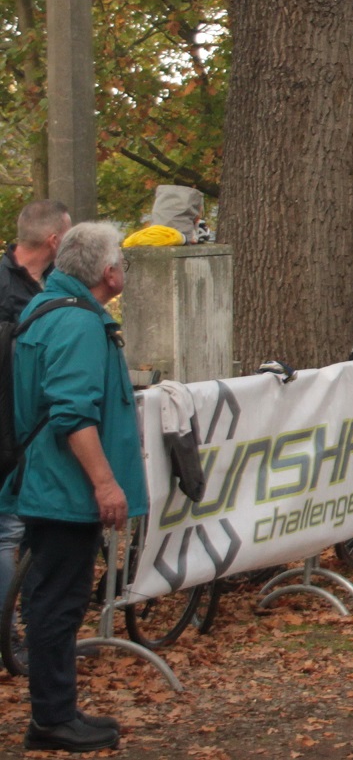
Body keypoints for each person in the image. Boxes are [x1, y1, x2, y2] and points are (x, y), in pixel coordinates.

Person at [2, 222, 142, 752]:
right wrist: (105, 484)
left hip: (49, 484)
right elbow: (72, 413)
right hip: (63, 489)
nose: (123, 268)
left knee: (51, 601)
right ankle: (52, 719)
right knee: (56, 605)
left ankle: (56, 711)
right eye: (122, 260)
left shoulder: (49, 309)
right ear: (108, 272)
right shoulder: (78, 323)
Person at [0, 199, 71, 654]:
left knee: (21, 530)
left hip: (30, 427)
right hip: (9, 429)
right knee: (8, 530)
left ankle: (25, 629)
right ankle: (9, 635)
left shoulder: (46, 284)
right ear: (54, 240)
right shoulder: (7, 288)